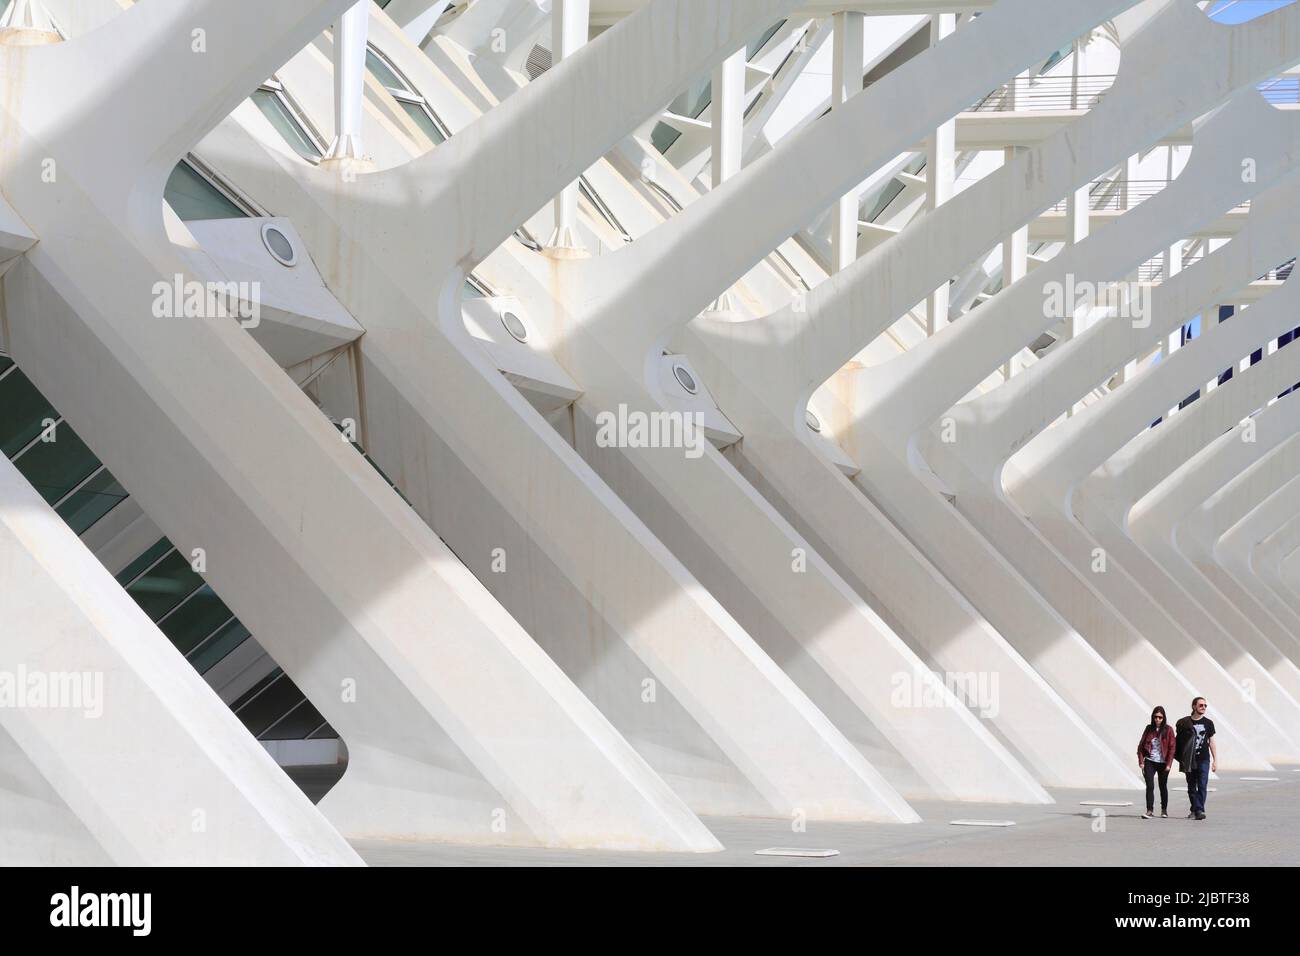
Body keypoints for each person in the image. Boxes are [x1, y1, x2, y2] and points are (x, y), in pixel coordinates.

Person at [1175, 697, 1217, 821]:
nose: (1203, 707)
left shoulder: (1208, 723)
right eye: (1201, 705)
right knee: (1191, 786)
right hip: (1190, 759)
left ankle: (1199, 810)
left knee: (1203, 785)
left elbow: (1211, 742)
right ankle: (1195, 809)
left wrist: (1215, 760)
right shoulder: (1185, 723)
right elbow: (1179, 741)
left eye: (1205, 705)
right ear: (1194, 706)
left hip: (1204, 759)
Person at [1136, 705, 1175, 819]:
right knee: (1150, 786)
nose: (1157, 719)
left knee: (1163, 786)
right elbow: (1141, 746)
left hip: (1163, 763)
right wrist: (1141, 761)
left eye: (1160, 717)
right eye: (1155, 717)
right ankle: (1149, 810)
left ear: (1164, 718)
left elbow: (1172, 748)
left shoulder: (1168, 730)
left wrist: (1169, 764)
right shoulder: (1149, 729)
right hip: (1150, 761)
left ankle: (1164, 810)